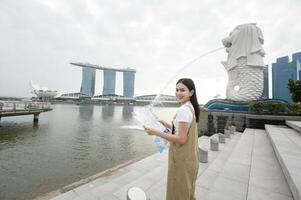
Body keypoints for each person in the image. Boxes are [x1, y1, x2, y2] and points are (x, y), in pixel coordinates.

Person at [144, 78, 200, 200]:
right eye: (176, 90)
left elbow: (181, 139)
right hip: (190, 157)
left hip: (182, 158)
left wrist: (156, 132)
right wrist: (167, 124)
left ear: (191, 92)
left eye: (182, 90)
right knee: (187, 190)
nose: (178, 93)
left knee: (178, 192)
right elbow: (184, 130)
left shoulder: (183, 110)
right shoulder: (190, 107)